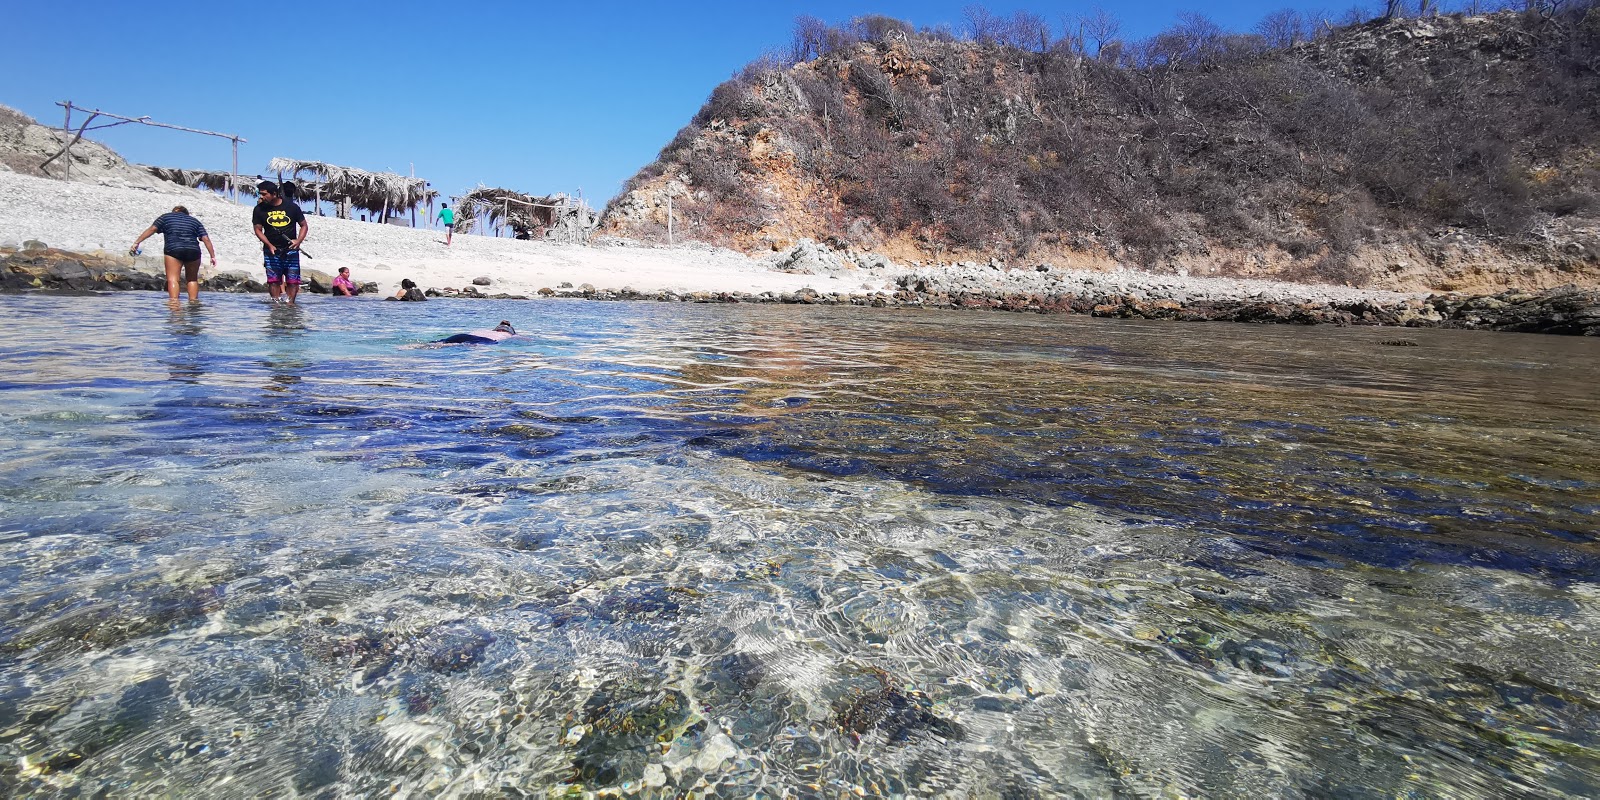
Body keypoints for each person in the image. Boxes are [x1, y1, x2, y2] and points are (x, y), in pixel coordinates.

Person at [131, 205, 216, 303]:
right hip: (193, 251)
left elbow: (152, 229)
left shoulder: (166, 217)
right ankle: (193, 303)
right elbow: (206, 239)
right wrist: (212, 256)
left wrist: (137, 242)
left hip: (173, 249)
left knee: (173, 279)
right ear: (186, 213)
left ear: (174, 211)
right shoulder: (195, 221)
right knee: (192, 279)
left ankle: (174, 304)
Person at [252, 181, 309, 304]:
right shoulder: (259, 209)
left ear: (274, 194)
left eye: (264, 194)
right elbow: (257, 229)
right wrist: (269, 245)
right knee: (273, 280)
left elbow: (304, 225)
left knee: (293, 280)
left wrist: (298, 241)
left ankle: (290, 305)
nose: (261, 197)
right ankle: (275, 305)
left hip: (291, 250)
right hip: (271, 250)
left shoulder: (292, 207)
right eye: (260, 194)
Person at [435, 320, 518, 345]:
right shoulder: (510, 335)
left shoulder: (484, 330)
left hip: (462, 336)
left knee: (440, 343)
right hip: (485, 341)